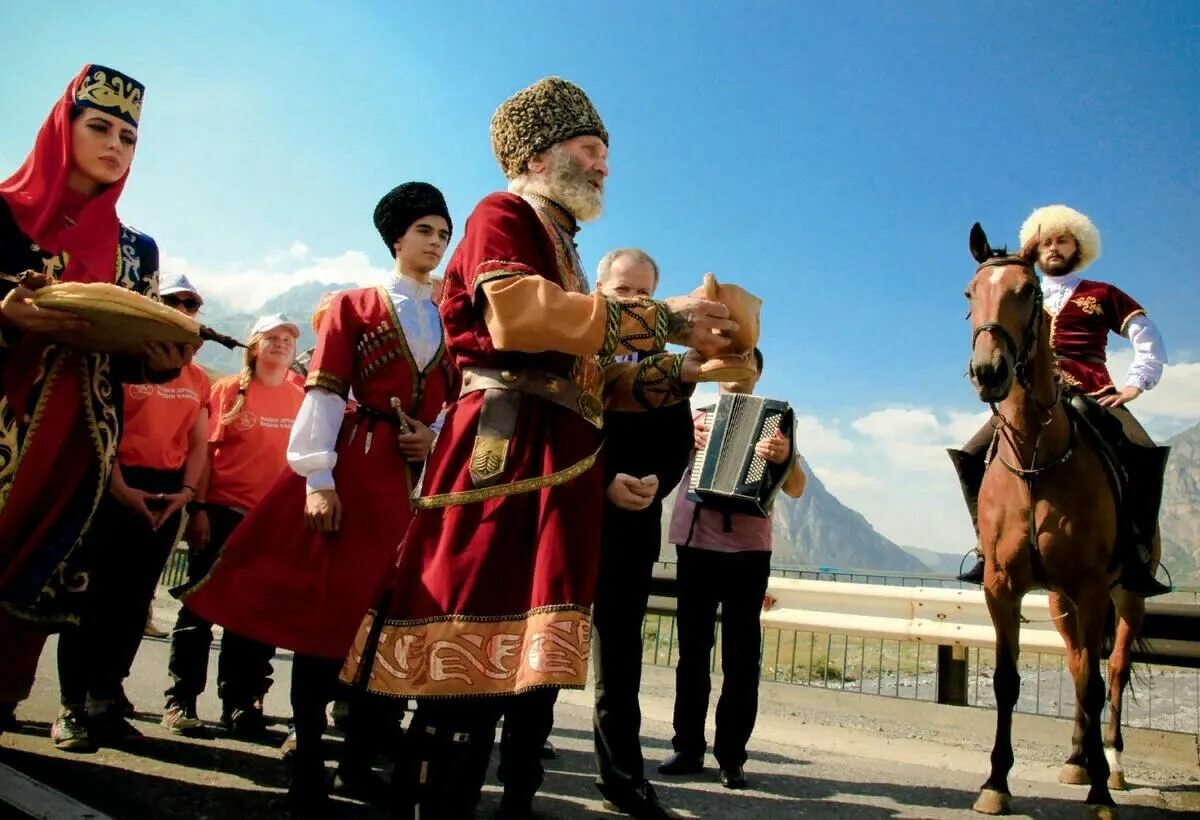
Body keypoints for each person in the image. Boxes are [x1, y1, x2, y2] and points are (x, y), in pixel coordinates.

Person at [337, 76, 734, 820]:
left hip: (555, 459)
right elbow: (519, 319)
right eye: (591, 149)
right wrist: (660, 319)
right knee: (471, 659)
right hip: (505, 452)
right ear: (539, 155)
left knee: (521, 665)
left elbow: (589, 377)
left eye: (607, 153)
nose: (606, 166)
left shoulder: (566, 247)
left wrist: (685, 367)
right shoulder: (502, 212)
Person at [180, 182, 458, 815]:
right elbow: (326, 392)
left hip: (412, 484)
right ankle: (308, 765)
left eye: (444, 234)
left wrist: (431, 436)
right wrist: (318, 478)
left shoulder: (450, 319)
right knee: (325, 620)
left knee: (386, 623)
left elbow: (452, 401)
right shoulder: (355, 306)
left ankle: (360, 760)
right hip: (355, 470)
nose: (436, 242)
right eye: (424, 230)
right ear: (395, 238)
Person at [0, 64, 191, 730]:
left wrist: (162, 364)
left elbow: (133, 360)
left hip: (77, 444)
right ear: (63, 125)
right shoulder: (2, 214)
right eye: (100, 127)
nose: (115, 145)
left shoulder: (137, 252)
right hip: (7, 422)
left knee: (36, 582)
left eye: (129, 137)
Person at [951, 204, 1171, 597]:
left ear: (1078, 247)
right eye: (1047, 241)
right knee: (971, 453)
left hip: (1091, 389)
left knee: (1144, 452)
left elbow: (1145, 334)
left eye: (1062, 241)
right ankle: (987, 550)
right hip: (1028, 395)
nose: (1053, 248)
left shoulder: (1101, 294)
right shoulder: (1016, 287)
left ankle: (1137, 553)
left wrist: (1135, 384)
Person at [51, 272, 212, 751]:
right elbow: (101, 427)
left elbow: (198, 442)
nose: (183, 310)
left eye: (191, 304)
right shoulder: (121, 363)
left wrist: (185, 492)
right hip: (112, 486)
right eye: (172, 302)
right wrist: (120, 488)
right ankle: (70, 708)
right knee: (90, 599)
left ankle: (106, 699)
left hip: (166, 494)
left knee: (133, 601)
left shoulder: (199, 377)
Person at [659, 348, 807, 791]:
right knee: (692, 651)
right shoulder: (694, 414)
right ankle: (687, 747)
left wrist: (783, 458)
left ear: (759, 373)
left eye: (746, 361)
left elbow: (796, 489)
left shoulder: (779, 419)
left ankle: (732, 756)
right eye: (729, 361)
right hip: (695, 542)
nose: (737, 368)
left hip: (748, 548)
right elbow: (666, 468)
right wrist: (686, 444)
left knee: (741, 656)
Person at [590, 249, 695, 819]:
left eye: (643, 295)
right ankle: (520, 767)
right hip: (568, 518)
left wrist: (659, 479)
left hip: (633, 526)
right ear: (599, 290)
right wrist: (603, 480)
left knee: (620, 660)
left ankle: (624, 781)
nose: (633, 302)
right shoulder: (572, 351)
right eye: (623, 291)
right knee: (539, 641)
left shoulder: (664, 365)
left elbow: (679, 444)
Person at [162, 314, 304, 736]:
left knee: (254, 618)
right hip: (222, 513)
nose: (281, 345)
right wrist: (199, 509)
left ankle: (242, 703)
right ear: (254, 346)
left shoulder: (301, 396)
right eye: (272, 338)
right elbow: (204, 456)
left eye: (287, 340)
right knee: (199, 612)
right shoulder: (227, 392)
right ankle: (181, 700)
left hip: (271, 522)